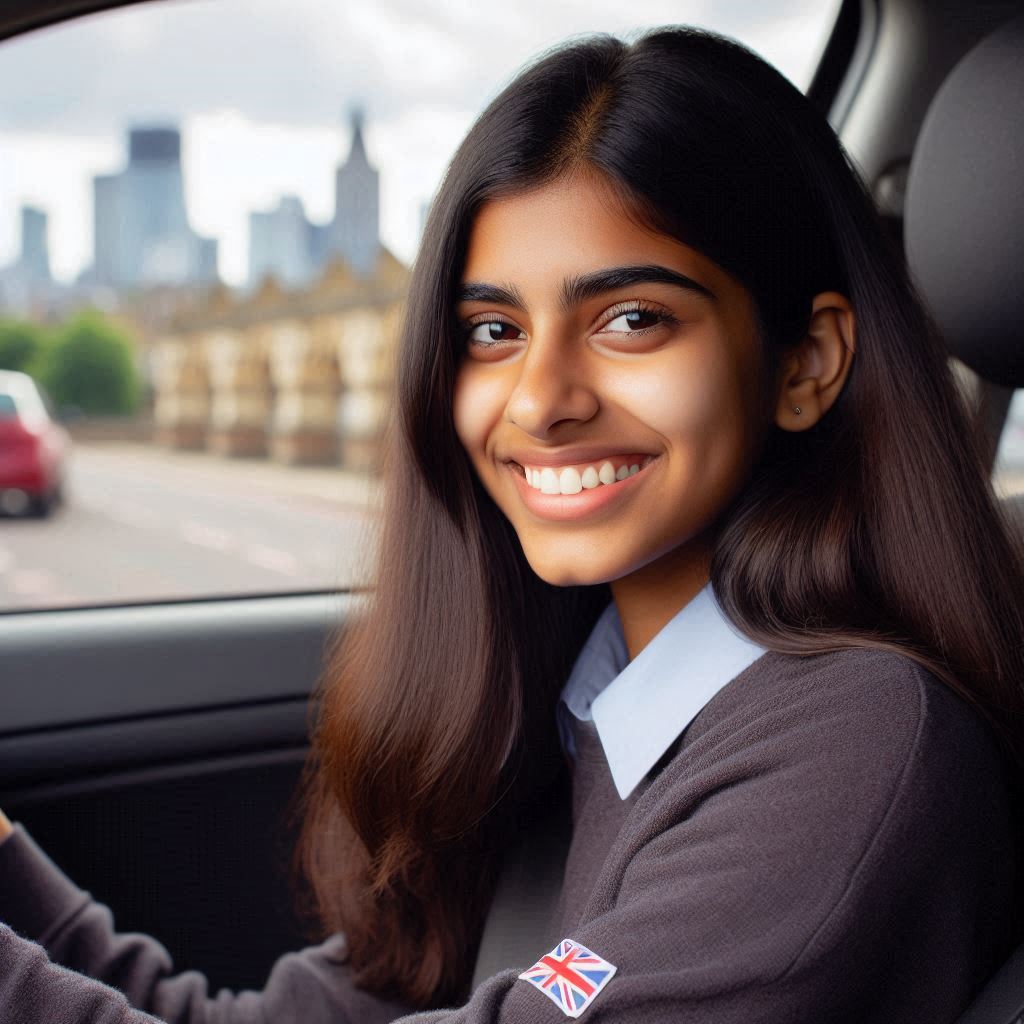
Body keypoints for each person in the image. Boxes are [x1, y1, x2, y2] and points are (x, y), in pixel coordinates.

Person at [2, 22, 1023, 1024]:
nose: (540, 399)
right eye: (494, 331)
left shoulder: (856, 748)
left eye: (631, 319)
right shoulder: (585, 688)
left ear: (804, 363)